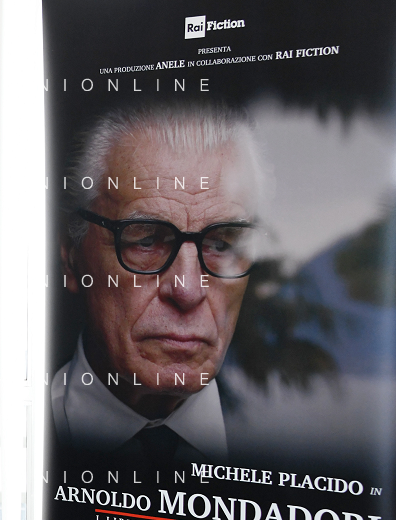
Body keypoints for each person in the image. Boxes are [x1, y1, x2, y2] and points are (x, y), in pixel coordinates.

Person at [53, 104, 267, 468]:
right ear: (71, 255)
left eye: (220, 245)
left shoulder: (304, 449)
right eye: (146, 241)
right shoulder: (9, 439)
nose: (187, 290)